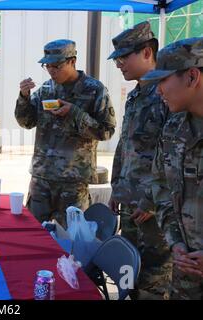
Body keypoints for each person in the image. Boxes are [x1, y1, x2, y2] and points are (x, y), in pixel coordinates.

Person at [15, 39, 116, 226]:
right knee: (33, 235)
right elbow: (26, 122)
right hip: (42, 178)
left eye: (57, 65)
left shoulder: (94, 90)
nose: (52, 70)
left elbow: (107, 131)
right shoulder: (46, 89)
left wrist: (75, 113)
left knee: (73, 240)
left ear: (72, 61)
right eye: (48, 66)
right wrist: (24, 97)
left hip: (73, 181)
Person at [107, 21, 172, 300]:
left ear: (147, 52)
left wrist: (153, 200)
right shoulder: (135, 96)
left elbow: (172, 156)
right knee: (130, 278)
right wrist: (116, 186)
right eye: (117, 59)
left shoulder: (168, 94)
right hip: (130, 203)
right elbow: (126, 145)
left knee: (153, 284)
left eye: (124, 57)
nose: (119, 64)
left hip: (154, 209)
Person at [141, 37, 203, 300]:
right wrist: (176, 242)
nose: (158, 91)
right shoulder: (174, 129)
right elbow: (161, 186)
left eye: (163, 81)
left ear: (191, 76)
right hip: (186, 276)